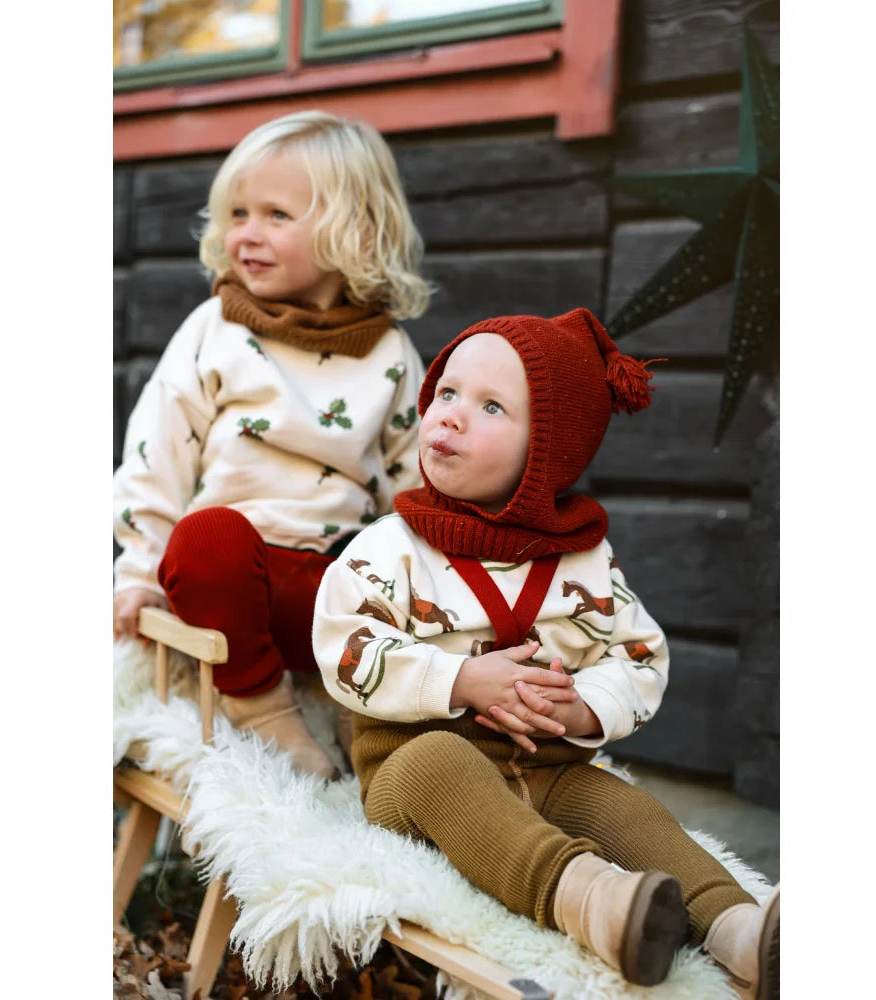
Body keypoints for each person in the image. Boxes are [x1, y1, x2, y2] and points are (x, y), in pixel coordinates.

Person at [312, 308, 779, 997]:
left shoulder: (585, 560)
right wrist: (461, 679)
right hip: (416, 768)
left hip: (549, 767)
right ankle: (591, 900)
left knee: (626, 809)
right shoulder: (393, 547)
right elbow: (345, 643)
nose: (451, 415)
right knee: (441, 764)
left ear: (547, 452)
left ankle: (739, 929)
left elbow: (640, 654)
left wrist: (583, 709)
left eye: (490, 406)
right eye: (446, 392)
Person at [113, 110, 431, 779]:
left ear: (354, 230)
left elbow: (415, 478)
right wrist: (139, 574)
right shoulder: (216, 330)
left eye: (276, 215)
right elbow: (156, 453)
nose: (245, 235)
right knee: (206, 539)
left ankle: (360, 703)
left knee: (391, 562)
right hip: (230, 583)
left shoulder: (390, 352)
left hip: (331, 586)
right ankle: (262, 707)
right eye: (237, 213)